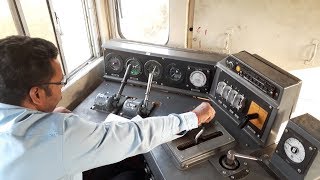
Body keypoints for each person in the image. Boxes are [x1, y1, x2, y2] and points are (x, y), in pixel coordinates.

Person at [0, 35, 215, 180]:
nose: (61, 92)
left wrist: (40, 115)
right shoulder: (58, 134)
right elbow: (136, 135)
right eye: (59, 84)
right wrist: (193, 117)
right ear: (36, 94)